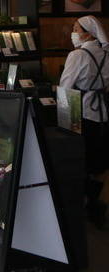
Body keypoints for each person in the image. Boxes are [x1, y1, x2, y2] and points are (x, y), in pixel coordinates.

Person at [59, 15, 109, 228]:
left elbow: (66, 87)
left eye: (76, 28)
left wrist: (64, 121)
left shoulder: (77, 55)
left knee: (79, 159)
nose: (73, 32)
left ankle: (81, 203)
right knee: (99, 162)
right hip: (103, 115)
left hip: (82, 113)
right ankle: (95, 202)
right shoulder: (106, 54)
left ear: (87, 32)